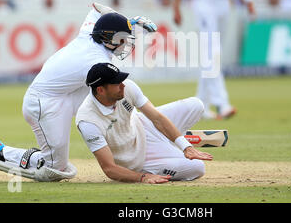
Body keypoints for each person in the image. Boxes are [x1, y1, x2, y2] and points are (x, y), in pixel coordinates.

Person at [0, 3, 158, 182]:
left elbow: (96, 8)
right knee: (57, 169)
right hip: (43, 103)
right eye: (122, 39)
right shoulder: (96, 60)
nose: (125, 45)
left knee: (119, 100)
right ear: (107, 38)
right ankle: (0, 152)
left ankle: (148, 137)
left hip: (67, 94)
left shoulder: (89, 32)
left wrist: (125, 23)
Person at [76, 63, 213, 183]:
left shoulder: (127, 87)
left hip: (144, 125)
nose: (123, 85)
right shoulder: (87, 121)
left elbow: (157, 119)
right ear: (100, 90)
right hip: (136, 160)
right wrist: (142, 177)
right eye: (117, 83)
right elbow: (109, 168)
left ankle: (174, 141)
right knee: (197, 167)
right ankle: (171, 143)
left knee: (196, 105)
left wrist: (186, 147)